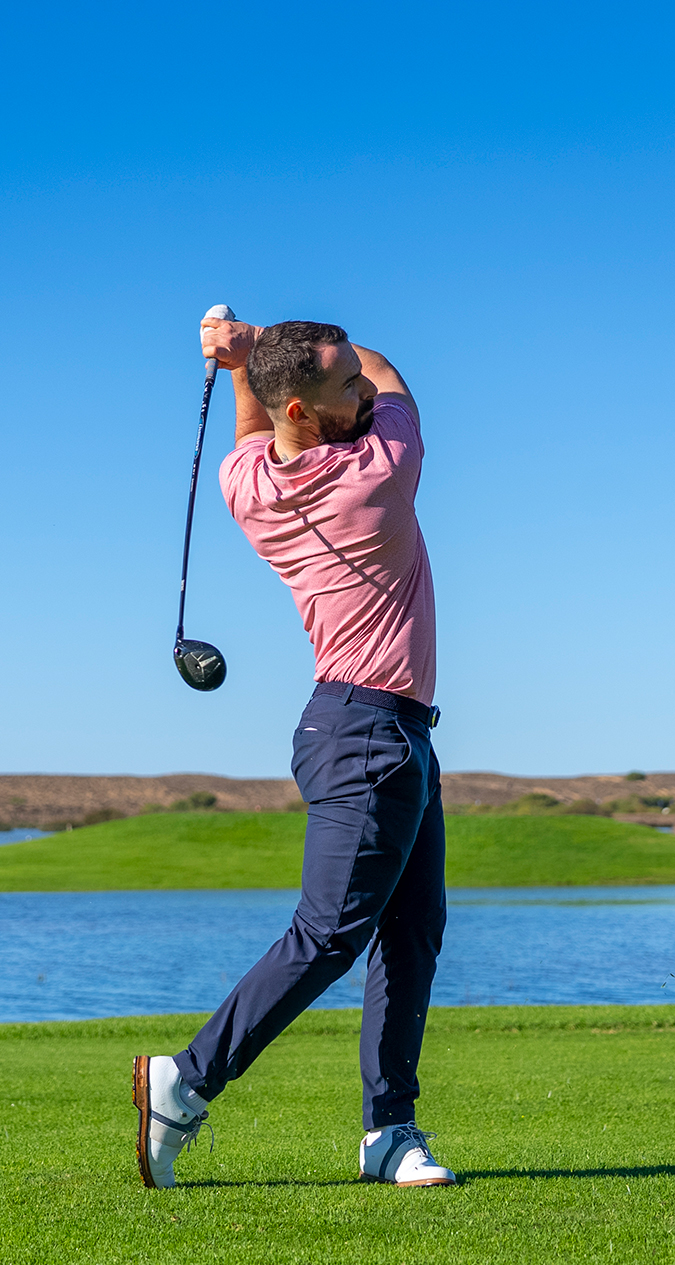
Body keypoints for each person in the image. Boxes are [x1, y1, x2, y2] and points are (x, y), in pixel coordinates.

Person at [133, 314, 455, 1189]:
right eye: (341, 385)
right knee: (329, 934)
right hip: (366, 734)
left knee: (411, 932)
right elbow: (393, 373)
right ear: (306, 415)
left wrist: (242, 362)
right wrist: (257, 337)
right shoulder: (377, 476)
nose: (361, 389)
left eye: (352, 378)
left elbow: (248, 431)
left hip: (388, 731)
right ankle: (186, 1081)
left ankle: (390, 1128)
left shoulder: (251, 488)